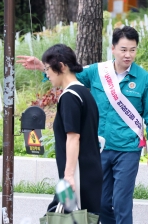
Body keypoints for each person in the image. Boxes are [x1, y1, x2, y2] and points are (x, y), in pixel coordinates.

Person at [17, 26, 148, 224]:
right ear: (112, 48)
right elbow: (68, 73)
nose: (128, 55)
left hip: (127, 148)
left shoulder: (145, 79)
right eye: (123, 49)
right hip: (99, 148)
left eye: (133, 50)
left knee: (121, 202)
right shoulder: (97, 71)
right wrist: (43, 66)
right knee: (100, 202)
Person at [40, 44, 102, 216]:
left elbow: (74, 137)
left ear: (61, 66)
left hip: (78, 174)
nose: (46, 74)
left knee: (66, 218)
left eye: (47, 69)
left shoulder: (69, 97)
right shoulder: (84, 93)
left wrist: (68, 176)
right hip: (88, 170)